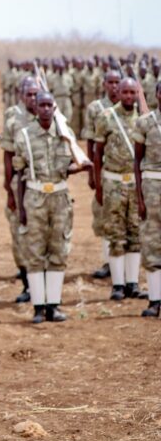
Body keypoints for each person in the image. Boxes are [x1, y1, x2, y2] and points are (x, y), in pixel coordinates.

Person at [14, 92, 88, 322]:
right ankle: (38, 307)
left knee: (59, 250)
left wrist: (82, 165)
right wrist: (21, 209)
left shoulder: (65, 135)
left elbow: (69, 165)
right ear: (35, 107)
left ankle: (53, 306)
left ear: (54, 108)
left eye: (49, 105)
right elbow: (20, 173)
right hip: (34, 197)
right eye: (42, 105)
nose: (45, 109)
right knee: (35, 252)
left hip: (60, 197)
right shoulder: (24, 136)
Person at [94, 77, 144, 300]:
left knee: (135, 232)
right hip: (113, 182)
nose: (129, 96)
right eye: (125, 92)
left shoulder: (143, 119)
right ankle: (117, 284)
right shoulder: (106, 117)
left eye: (133, 92)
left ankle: (133, 283)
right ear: (118, 92)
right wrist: (98, 185)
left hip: (135, 183)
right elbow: (97, 153)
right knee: (115, 233)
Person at [2, 78, 39, 303]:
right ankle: (27, 283)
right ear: (22, 96)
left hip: (40, 183)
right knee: (19, 232)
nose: (33, 99)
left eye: (37, 94)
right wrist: (8, 188)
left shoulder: (50, 117)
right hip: (19, 182)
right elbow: (8, 154)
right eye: (30, 94)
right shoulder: (14, 120)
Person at [84, 70, 122, 279]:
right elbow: (90, 142)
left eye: (118, 82)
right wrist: (92, 174)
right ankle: (108, 261)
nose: (115, 86)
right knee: (104, 215)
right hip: (104, 170)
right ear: (104, 84)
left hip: (124, 172)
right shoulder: (96, 108)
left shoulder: (130, 108)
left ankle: (124, 264)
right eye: (111, 82)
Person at [134, 81, 161, 317]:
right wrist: (140, 198)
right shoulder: (145, 122)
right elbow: (137, 161)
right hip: (151, 187)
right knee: (152, 244)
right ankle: (154, 300)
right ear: (157, 95)